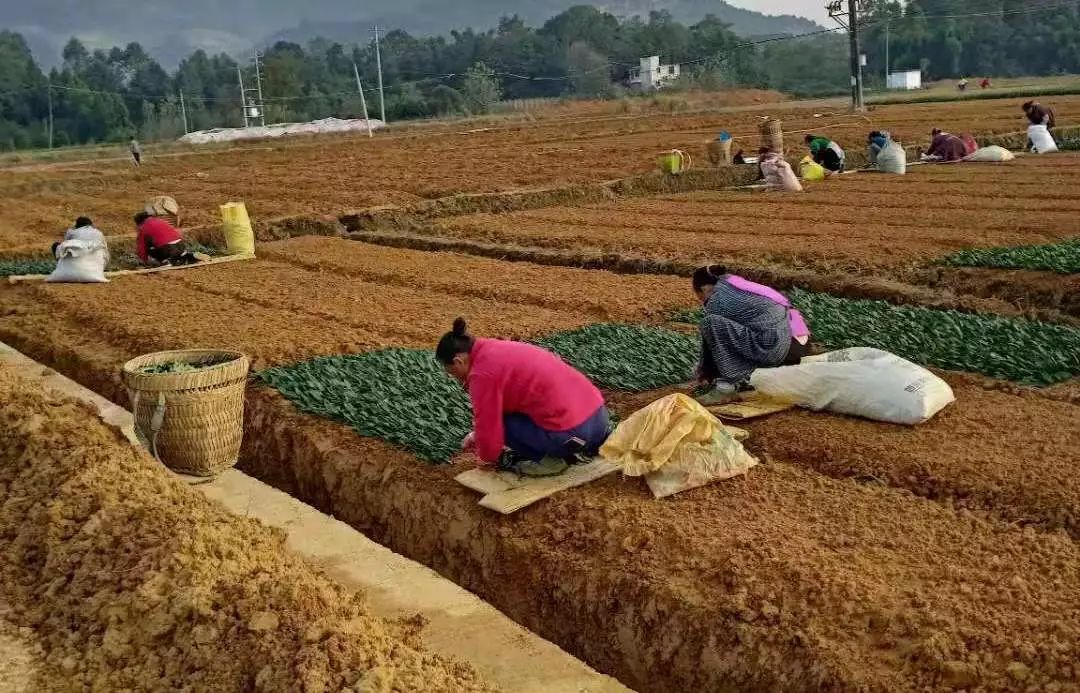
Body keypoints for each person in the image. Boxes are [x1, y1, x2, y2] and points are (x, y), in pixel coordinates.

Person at [436, 318, 610, 477]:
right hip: (599, 420)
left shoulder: (481, 374)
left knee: (501, 423)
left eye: (451, 372)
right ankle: (584, 445)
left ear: (458, 361)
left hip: (573, 435)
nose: (455, 378)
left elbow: (489, 425)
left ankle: (549, 462)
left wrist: (486, 459)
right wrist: (477, 435)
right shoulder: (496, 348)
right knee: (511, 414)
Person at [692, 265, 811, 406]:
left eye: (700, 296)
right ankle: (745, 379)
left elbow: (713, 340)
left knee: (710, 323)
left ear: (705, 288)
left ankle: (725, 389)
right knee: (740, 335)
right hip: (798, 345)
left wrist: (705, 372)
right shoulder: (738, 284)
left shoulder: (718, 299)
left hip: (777, 349)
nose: (703, 302)